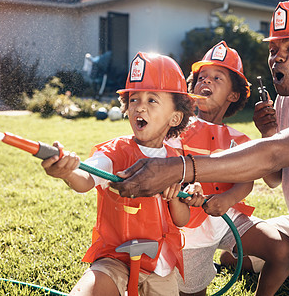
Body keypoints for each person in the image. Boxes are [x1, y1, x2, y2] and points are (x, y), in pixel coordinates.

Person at [110, 0, 289, 296]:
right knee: (236, 255)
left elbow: (276, 153)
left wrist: (178, 168)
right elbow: (275, 176)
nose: (277, 59)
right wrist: (270, 131)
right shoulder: (284, 103)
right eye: (273, 51)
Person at [41, 52, 195, 296]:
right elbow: (86, 180)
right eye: (134, 99)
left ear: (175, 117)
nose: (140, 106)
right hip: (115, 258)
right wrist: (68, 172)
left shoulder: (176, 163)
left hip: (160, 265)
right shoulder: (114, 153)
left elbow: (182, 219)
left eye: (152, 100)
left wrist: (176, 196)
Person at [165, 41, 289, 296]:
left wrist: (227, 199)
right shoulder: (177, 130)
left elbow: (247, 180)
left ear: (233, 95)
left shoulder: (240, 139)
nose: (207, 82)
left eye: (217, 78)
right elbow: (170, 171)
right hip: (189, 229)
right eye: (201, 77)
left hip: (229, 220)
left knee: (283, 251)